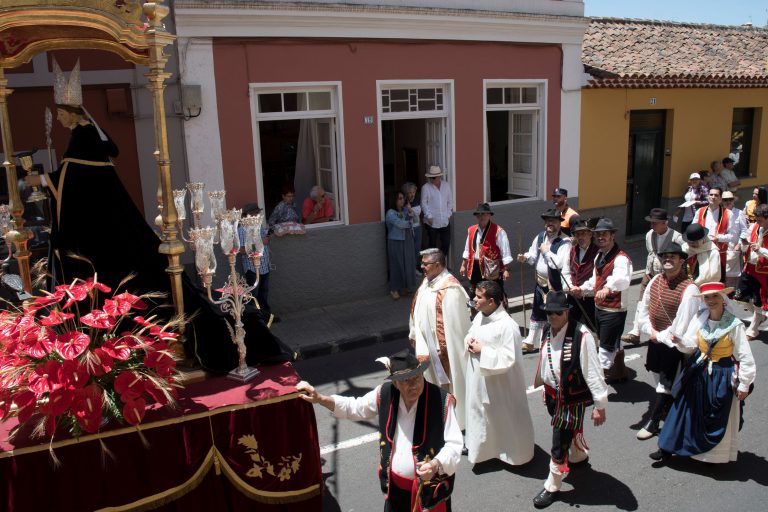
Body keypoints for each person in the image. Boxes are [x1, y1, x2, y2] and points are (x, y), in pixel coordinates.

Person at [27, 59, 293, 374]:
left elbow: (75, 180)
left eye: (61, 112)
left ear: (73, 113)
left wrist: (44, 180)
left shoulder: (84, 138)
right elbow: (76, 181)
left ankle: (234, 336)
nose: (58, 117)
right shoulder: (81, 141)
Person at [296, 350, 462, 511]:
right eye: (406, 380)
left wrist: (435, 464)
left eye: (417, 378)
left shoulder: (441, 401)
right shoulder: (385, 393)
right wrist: (320, 399)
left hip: (426, 491)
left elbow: (454, 445)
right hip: (394, 489)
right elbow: (355, 407)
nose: (414, 385)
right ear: (395, 383)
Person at [651, 282, 756, 464]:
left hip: (722, 374)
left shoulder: (734, 325)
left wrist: (744, 384)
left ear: (723, 298)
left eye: (715, 296)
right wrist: (680, 340)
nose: (711, 300)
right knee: (682, 409)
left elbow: (745, 356)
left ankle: (710, 456)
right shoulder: (700, 319)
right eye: (707, 297)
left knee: (713, 415)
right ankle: (667, 447)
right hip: (698, 370)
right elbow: (692, 345)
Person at [531, 291, 608, 509]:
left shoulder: (581, 335)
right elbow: (547, 361)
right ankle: (579, 457)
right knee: (569, 431)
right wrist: (545, 389)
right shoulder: (547, 329)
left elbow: (593, 372)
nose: (552, 317)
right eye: (548, 313)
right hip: (553, 394)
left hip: (571, 399)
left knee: (558, 441)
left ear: (567, 312)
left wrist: (600, 405)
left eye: (557, 313)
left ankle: (552, 485)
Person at [464, 281, 534, 466]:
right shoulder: (480, 316)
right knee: (481, 416)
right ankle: (483, 450)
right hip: (479, 381)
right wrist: (469, 341)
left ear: (492, 301)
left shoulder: (508, 326)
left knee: (505, 419)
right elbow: (472, 332)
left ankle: (514, 455)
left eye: (479, 297)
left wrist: (482, 350)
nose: (474, 300)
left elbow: (508, 358)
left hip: (501, 385)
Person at [634, 242, 700, 440]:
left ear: (682, 260)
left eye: (673, 256)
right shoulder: (655, 281)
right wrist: (650, 331)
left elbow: (681, 323)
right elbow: (643, 310)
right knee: (656, 376)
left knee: (667, 384)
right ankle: (669, 411)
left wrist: (659, 336)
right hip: (655, 341)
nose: (668, 259)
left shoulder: (689, 289)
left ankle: (654, 422)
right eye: (665, 256)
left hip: (674, 345)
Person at [409, 248, 470, 430]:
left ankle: (457, 422)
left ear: (437, 265)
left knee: (449, 383)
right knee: (431, 382)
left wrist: (442, 347)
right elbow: (417, 308)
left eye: (425, 264)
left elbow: (454, 325)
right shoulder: (427, 283)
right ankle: (439, 416)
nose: (422, 267)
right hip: (427, 346)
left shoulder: (450, 288)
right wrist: (414, 333)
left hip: (445, 350)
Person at [569, 218, 633, 382]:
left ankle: (597, 388)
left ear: (612, 236)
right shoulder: (599, 255)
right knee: (613, 342)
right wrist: (582, 289)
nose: (600, 237)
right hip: (600, 307)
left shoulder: (621, 258)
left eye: (604, 234)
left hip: (614, 310)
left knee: (604, 348)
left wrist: (607, 288)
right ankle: (621, 371)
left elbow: (622, 279)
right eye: (598, 235)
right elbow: (594, 280)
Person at [622, 208, 683, 344]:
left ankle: (665, 332)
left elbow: (682, 257)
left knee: (664, 304)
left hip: (668, 277)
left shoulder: (676, 237)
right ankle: (635, 331)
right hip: (650, 273)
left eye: (655, 223)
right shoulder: (649, 234)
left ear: (664, 223)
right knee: (641, 301)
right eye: (651, 223)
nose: (652, 226)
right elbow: (650, 252)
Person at [516, 208, 572, 353]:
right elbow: (533, 255)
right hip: (540, 282)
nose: (549, 223)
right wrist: (525, 257)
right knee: (537, 311)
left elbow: (558, 264)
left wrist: (547, 251)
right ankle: (530, 340)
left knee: (552, 314)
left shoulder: (565, 242)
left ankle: (549, 339)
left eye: (553, 221)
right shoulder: (540, 237)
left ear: (559, 223)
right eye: (547, 220)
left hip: (555, 285)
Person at [459, 202, 512, 299]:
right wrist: (463, 264)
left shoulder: (498, 231)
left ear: (489, 215)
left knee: (493, 293)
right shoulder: (471, 230)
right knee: (475, 293)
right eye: (479, 214)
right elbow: (467, 249)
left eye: (484, 214)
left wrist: (506, 270)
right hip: (474, 267)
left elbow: (506, 252)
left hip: (491, 268)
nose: (481, 216)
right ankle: (476, 312)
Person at [238, 203, 277, 323]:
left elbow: (265, 238)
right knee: (253, 296)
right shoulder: (242, 229)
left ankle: (266, 317)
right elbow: (242, 250)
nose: (257, 215)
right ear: (248, 214)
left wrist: (269, 236)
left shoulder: (258, 225)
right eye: (255, 213)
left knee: (264, 294)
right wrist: (261, 241)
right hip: (252, 268)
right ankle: (255, 320)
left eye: (258, 213)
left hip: (264, 265)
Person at [693, 186, 738, 282]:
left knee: (717, 283)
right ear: (708, 196)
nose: (713, 197)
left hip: (718, 254)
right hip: (701, 252)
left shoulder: (728, 213)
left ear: (720, 198)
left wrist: (719, 238)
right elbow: (692, 231)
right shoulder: (699, 212)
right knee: (698, 281)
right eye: (711, 194)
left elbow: (734, 237)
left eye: (716, 195)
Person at [562, 215, 599, 329]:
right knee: (571, 327)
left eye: (583, 233)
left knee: (594, 328)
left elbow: (596, 276)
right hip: (573, 296)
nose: (580, 237)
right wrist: (570, 287)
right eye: (577, 234)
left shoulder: (598, 252)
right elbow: (566, 271)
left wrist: (582, 289)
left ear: (590, 234)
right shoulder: (571, 251)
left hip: (590, 298)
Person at [738, 203, 768, 340]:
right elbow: (745, 241)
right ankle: (760, 315)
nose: (758, 222)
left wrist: (760, 250)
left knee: (758, 300)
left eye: (761, 220)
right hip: (750, 267)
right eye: (756, 219)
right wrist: (743, 246)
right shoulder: (755, 227)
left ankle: (753, 329)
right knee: (741, 295)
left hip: (764, 272)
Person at [386, 191, 417, 300]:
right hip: (395, 241)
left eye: (403, 198)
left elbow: (416, 220)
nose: (402, 200)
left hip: (406, 240)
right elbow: (400, 224)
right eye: (399, 198)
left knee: (405, 264)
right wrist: (410, 222)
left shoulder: (404, 211)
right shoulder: (390, 213)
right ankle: (394, 289)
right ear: (394, 200)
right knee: (396, 265)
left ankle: (403, 287)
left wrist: (409, 210)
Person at [421, 166, 453, 258]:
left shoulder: (446, 186)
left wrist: (448, 215)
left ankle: (441, 264)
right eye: (431, 177)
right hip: (432, 222)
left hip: (445, 221)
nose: (432, 179)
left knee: (446, 244)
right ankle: (432, 267)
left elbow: (450, 202)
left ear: (439, 176)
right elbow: (423, 204)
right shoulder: (426, 187)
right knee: (432, 247)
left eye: (434, 177)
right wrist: (429, 216)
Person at [721, 190, 749, 289]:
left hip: (734, 247)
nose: (728, 202)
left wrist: (739, 244)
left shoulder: (739, 213)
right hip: (721, 247)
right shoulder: (720, 213)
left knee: (734, 274)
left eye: (730, 199)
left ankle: (734, 293)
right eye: (725, 200)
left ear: (733, 200)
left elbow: (745, 230)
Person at [402, 182, 423, 270]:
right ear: (406, 193)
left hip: (417, 227)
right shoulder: (403, 202)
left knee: (417, 248)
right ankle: (409, 269)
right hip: (408, 228)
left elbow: (417, 215)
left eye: (413, 192)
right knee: (408, 249)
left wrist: (411, 210)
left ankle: (415, 267)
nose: (412, 194)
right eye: (410, 193)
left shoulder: (417, 200)